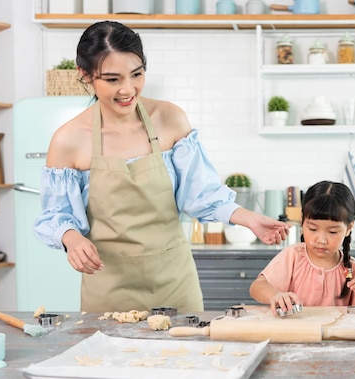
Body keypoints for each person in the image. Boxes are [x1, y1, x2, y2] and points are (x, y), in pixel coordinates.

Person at [33, 21, 287, 313]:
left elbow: (201, 194)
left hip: (174, 280)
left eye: (137, 74)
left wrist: (249, 219)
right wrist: (71, 238)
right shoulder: (69, 140)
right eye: (112, 79)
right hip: (109, 285)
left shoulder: (169, 118)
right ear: (86, 75)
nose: (128, 89)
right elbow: (57, 215)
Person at [250, 180, 355, 314]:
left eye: (332, 232)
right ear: (302, 221)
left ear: (349, 228)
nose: (321, 240)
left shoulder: (352, 269)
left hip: (336, 334)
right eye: (312, 229)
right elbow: (257, 286)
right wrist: (275, 295)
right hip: (294, 333)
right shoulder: (293, 256)